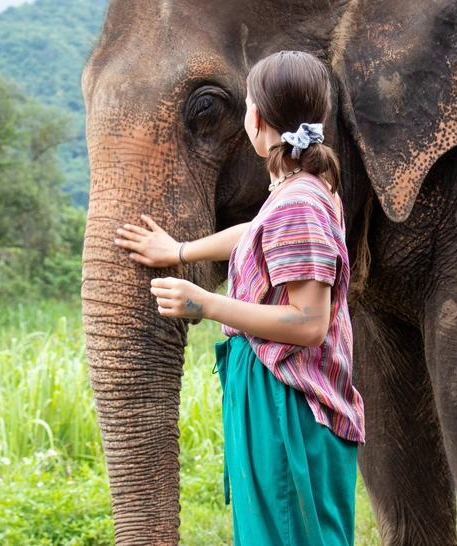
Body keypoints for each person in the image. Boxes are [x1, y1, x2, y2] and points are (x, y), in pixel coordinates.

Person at [114, 50, 365, 546]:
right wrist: (180, 249)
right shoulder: (304, 189)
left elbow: (309, 322)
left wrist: (204, 304)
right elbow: (258, 233)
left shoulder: (298, 203)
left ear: (255, 117)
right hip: (277, 394)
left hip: (288, 403)